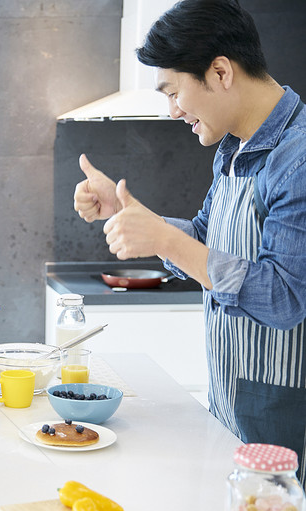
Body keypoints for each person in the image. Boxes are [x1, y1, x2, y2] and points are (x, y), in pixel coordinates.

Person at [73, 0, 306, 484]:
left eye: (174, 91)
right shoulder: (234, 148)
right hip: (230, 399)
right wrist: (128, 215)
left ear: (220, 71)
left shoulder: (297, 157)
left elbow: (285, 297)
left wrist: (162, 238)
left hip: (281, 416)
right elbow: (205, 238)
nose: (173, 110)